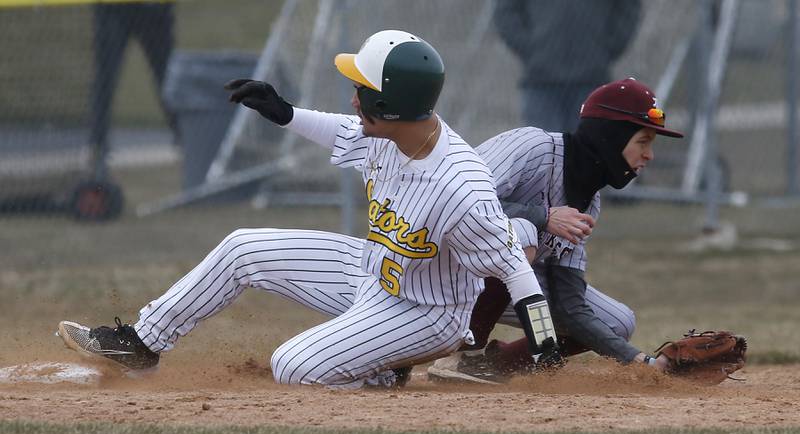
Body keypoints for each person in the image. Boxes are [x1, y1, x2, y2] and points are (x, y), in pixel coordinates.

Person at [57, 30, 561, 389]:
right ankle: (140, 346)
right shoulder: (391, 132)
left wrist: (545, 348)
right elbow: (344, 130)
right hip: (375, 272)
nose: (353, 97)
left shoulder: (460, 186)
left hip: (428, 312)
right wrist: (285, 113)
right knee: (242, 249)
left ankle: (380, 370)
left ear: (389, 106)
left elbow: (515, 269)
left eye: (362, 90)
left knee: (292, 366)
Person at [428, 78, 684, 384]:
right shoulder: (534, 147)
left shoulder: (589, 203)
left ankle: (496, 366)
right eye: (643, 141)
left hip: (495, 284)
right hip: (432, 265)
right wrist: (543, 216)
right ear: (611, 137)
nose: (649, 155)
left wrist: (642, 362)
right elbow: (454, 199)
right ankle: (460, 355)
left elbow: (569, 305)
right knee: (518, 235)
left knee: (616, 322)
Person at [493, 0, 642, 132]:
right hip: (542, 83)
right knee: (544, 155)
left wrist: (605, 49)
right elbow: (506, 12)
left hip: (591, 81)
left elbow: (628, 9)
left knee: (586, 157)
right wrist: (532, 50)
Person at [89, 1, 176, 179]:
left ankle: (187, 142)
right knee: (105, 81)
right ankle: (98, 148)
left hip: (154, 10)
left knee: (168, 78)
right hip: (113, 9)